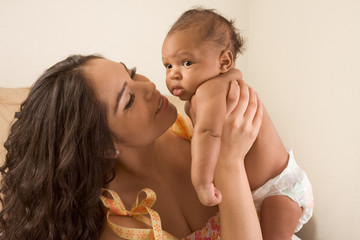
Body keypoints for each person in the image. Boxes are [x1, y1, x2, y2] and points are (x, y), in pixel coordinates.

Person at [0, 54, 264, 239]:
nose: (149, 87)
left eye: (132, 73)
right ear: (103, 145)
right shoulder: (122, 223)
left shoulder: (188, 131)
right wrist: (229, 164)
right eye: (128, 100)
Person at [162, 7, 314, 239]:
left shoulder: (211, 90)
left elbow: (208, 134)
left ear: (224, 62)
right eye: (168, 65)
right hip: (254, 192)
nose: (174, 73)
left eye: (187, 62)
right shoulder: (204, 94)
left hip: (280, 188)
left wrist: (202, 183)